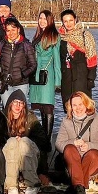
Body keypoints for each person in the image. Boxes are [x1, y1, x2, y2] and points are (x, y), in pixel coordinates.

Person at [55, 92, 98, 194]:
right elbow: (58, 144)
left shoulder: (97, 120)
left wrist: (89, 145)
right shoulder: (66, 121)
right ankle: (80, 187)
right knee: (69, 148)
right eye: (74, 105)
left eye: (80, 104)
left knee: (93, 154)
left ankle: (75, 186)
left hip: (93, 161)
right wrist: (73, 142)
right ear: (70, 107)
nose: (78, 108)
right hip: (73, 161)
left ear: (86, 104)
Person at [3, 89, 50, 194]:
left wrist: (26, 139)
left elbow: (44, 143)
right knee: (11, 142)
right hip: (10, 155)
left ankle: (32, 183)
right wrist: (14, 140)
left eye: (21, 103)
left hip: (30, 156)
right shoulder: (2, 118)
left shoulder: (31, 118)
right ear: (10, 103)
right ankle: (11, 185)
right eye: (15, 102)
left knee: (24, 142)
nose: (18, 105)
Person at [29, 10, 62, 138]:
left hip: (48, 75)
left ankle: (47, 139)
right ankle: (43, 137)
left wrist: (58, 81)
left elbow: (57, 59)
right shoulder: (38, 34)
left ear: (50, 20)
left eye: (45, 19)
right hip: (37, 74)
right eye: (40, 18)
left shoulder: (54, 35)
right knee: (42, 107)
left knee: (48, 106)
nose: (42, 21)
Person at [58, 9, 98, 112]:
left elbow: (92, 57)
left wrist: (91, 78)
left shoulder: (85, 35)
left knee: (83, 108)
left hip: (82, 78)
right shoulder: (60, 37)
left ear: (75, 20)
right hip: (66, 78)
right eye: (65, 21)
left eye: (70, 20)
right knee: (68, 109)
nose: (68, 24)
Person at [0, 17, 37, 105]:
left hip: (21, 84)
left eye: (13, 30)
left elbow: (33, 64)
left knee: (19, 110)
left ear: (18, 29)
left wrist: (23, 74)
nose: (11, 33)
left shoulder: (26, 45)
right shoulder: (1, 44)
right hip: (5, 84)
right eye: (8, 30)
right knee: (7, 109)